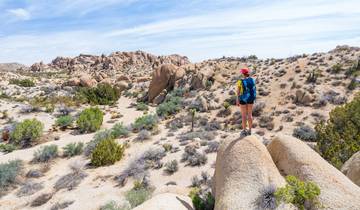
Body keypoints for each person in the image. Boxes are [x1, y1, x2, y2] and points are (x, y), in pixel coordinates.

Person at [236, 68, 256, 136]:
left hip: (243, 99)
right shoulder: (252, 80)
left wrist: (237, 100)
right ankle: (250, 130)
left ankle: (244, 130)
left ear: (242, 73)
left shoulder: (240, 81)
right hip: (250, 98)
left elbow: (238, 92)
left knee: (244, 115)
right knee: (250, 114)